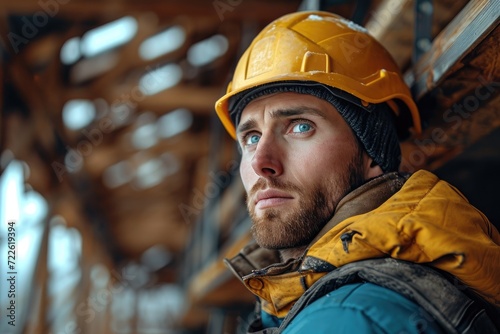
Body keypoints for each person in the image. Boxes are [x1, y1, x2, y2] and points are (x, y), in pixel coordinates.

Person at [214, 11, 500, 334]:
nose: (260, 161)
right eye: (251, 137)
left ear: (372, 154)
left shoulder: (348, 319)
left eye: (300, 126)